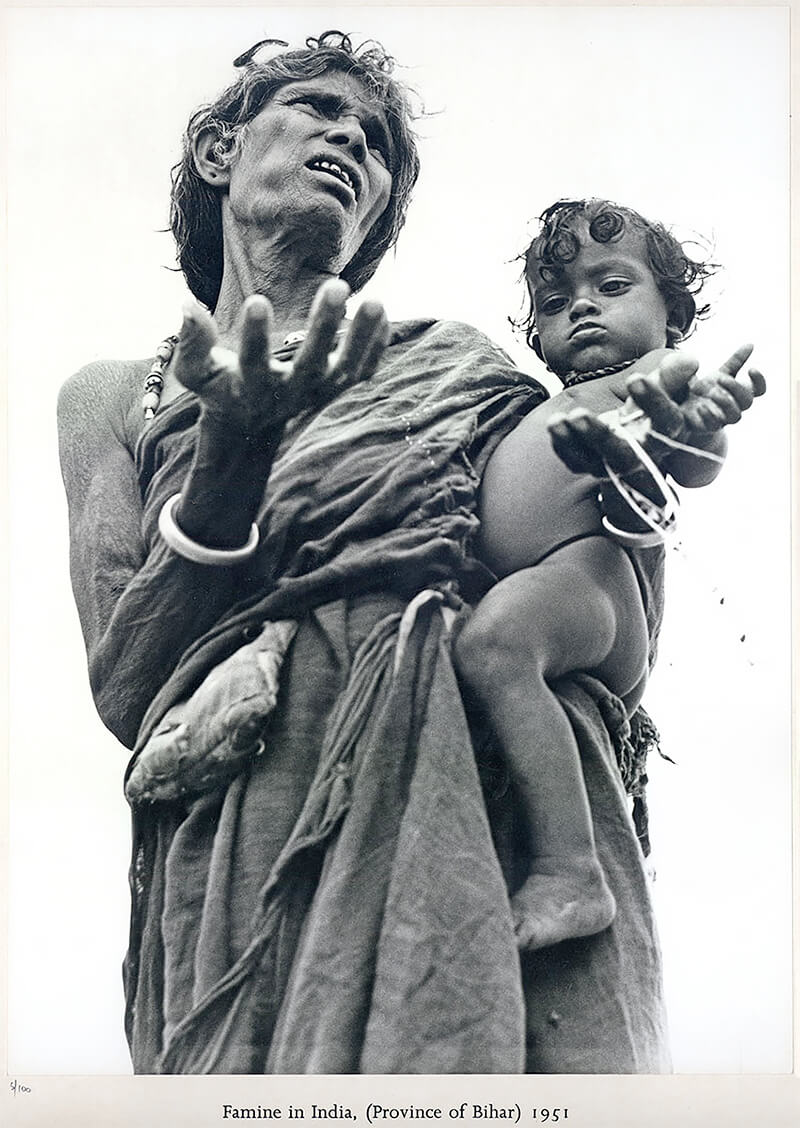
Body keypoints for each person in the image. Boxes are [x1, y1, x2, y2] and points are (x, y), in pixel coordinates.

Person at [57, 35, 756, 1074]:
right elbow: (127, 688)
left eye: (376, 138)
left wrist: (654, 442)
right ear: (217, 150)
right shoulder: (117, 396)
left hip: (475, 829)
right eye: (318, 108)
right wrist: (229, 460)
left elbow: (581, 577)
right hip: (254, 840)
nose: (351, 134)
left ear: (376, 213)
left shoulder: (453, 360)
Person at [453, 198, 765, 952]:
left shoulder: (654, 373)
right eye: (556, 303)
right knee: (489, 641)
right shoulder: (544, 405)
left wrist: (700, 422)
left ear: (673, 316)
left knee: (493, 643)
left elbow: (693, 458)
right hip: (555, 588)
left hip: (595, 586)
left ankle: (571, 871)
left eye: (612, 286)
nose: (582, 306)